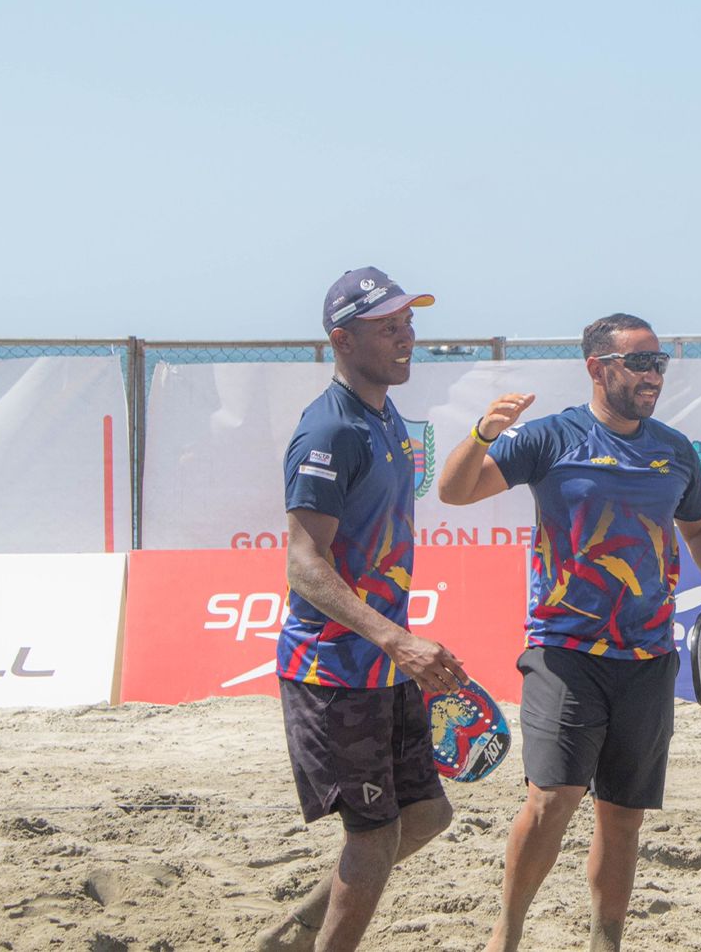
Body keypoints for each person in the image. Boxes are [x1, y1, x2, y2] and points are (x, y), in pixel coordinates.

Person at [437, 312, 701, 952]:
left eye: (659, 363)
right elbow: (454, 492)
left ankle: (605, 940)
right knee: (552, 798)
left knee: (624, 814)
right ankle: (509, 928)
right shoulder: (551, 439)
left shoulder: (672, 449)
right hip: (564, 650)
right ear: (598, 366)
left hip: (648, 653)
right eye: (639, 362)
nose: (652, 375)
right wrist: (481, 435)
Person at [257, 267, 466, 952]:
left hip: (379, 665)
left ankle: (294, 933)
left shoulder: (384, 414)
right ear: (342, 340)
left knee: (428, 815)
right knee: (373, 838)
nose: (408, 336)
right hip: (333, 669)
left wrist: (399, 648)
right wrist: (394, 639)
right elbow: (303, 563)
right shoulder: (331, 430)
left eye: (409, 322)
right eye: (389, 326)